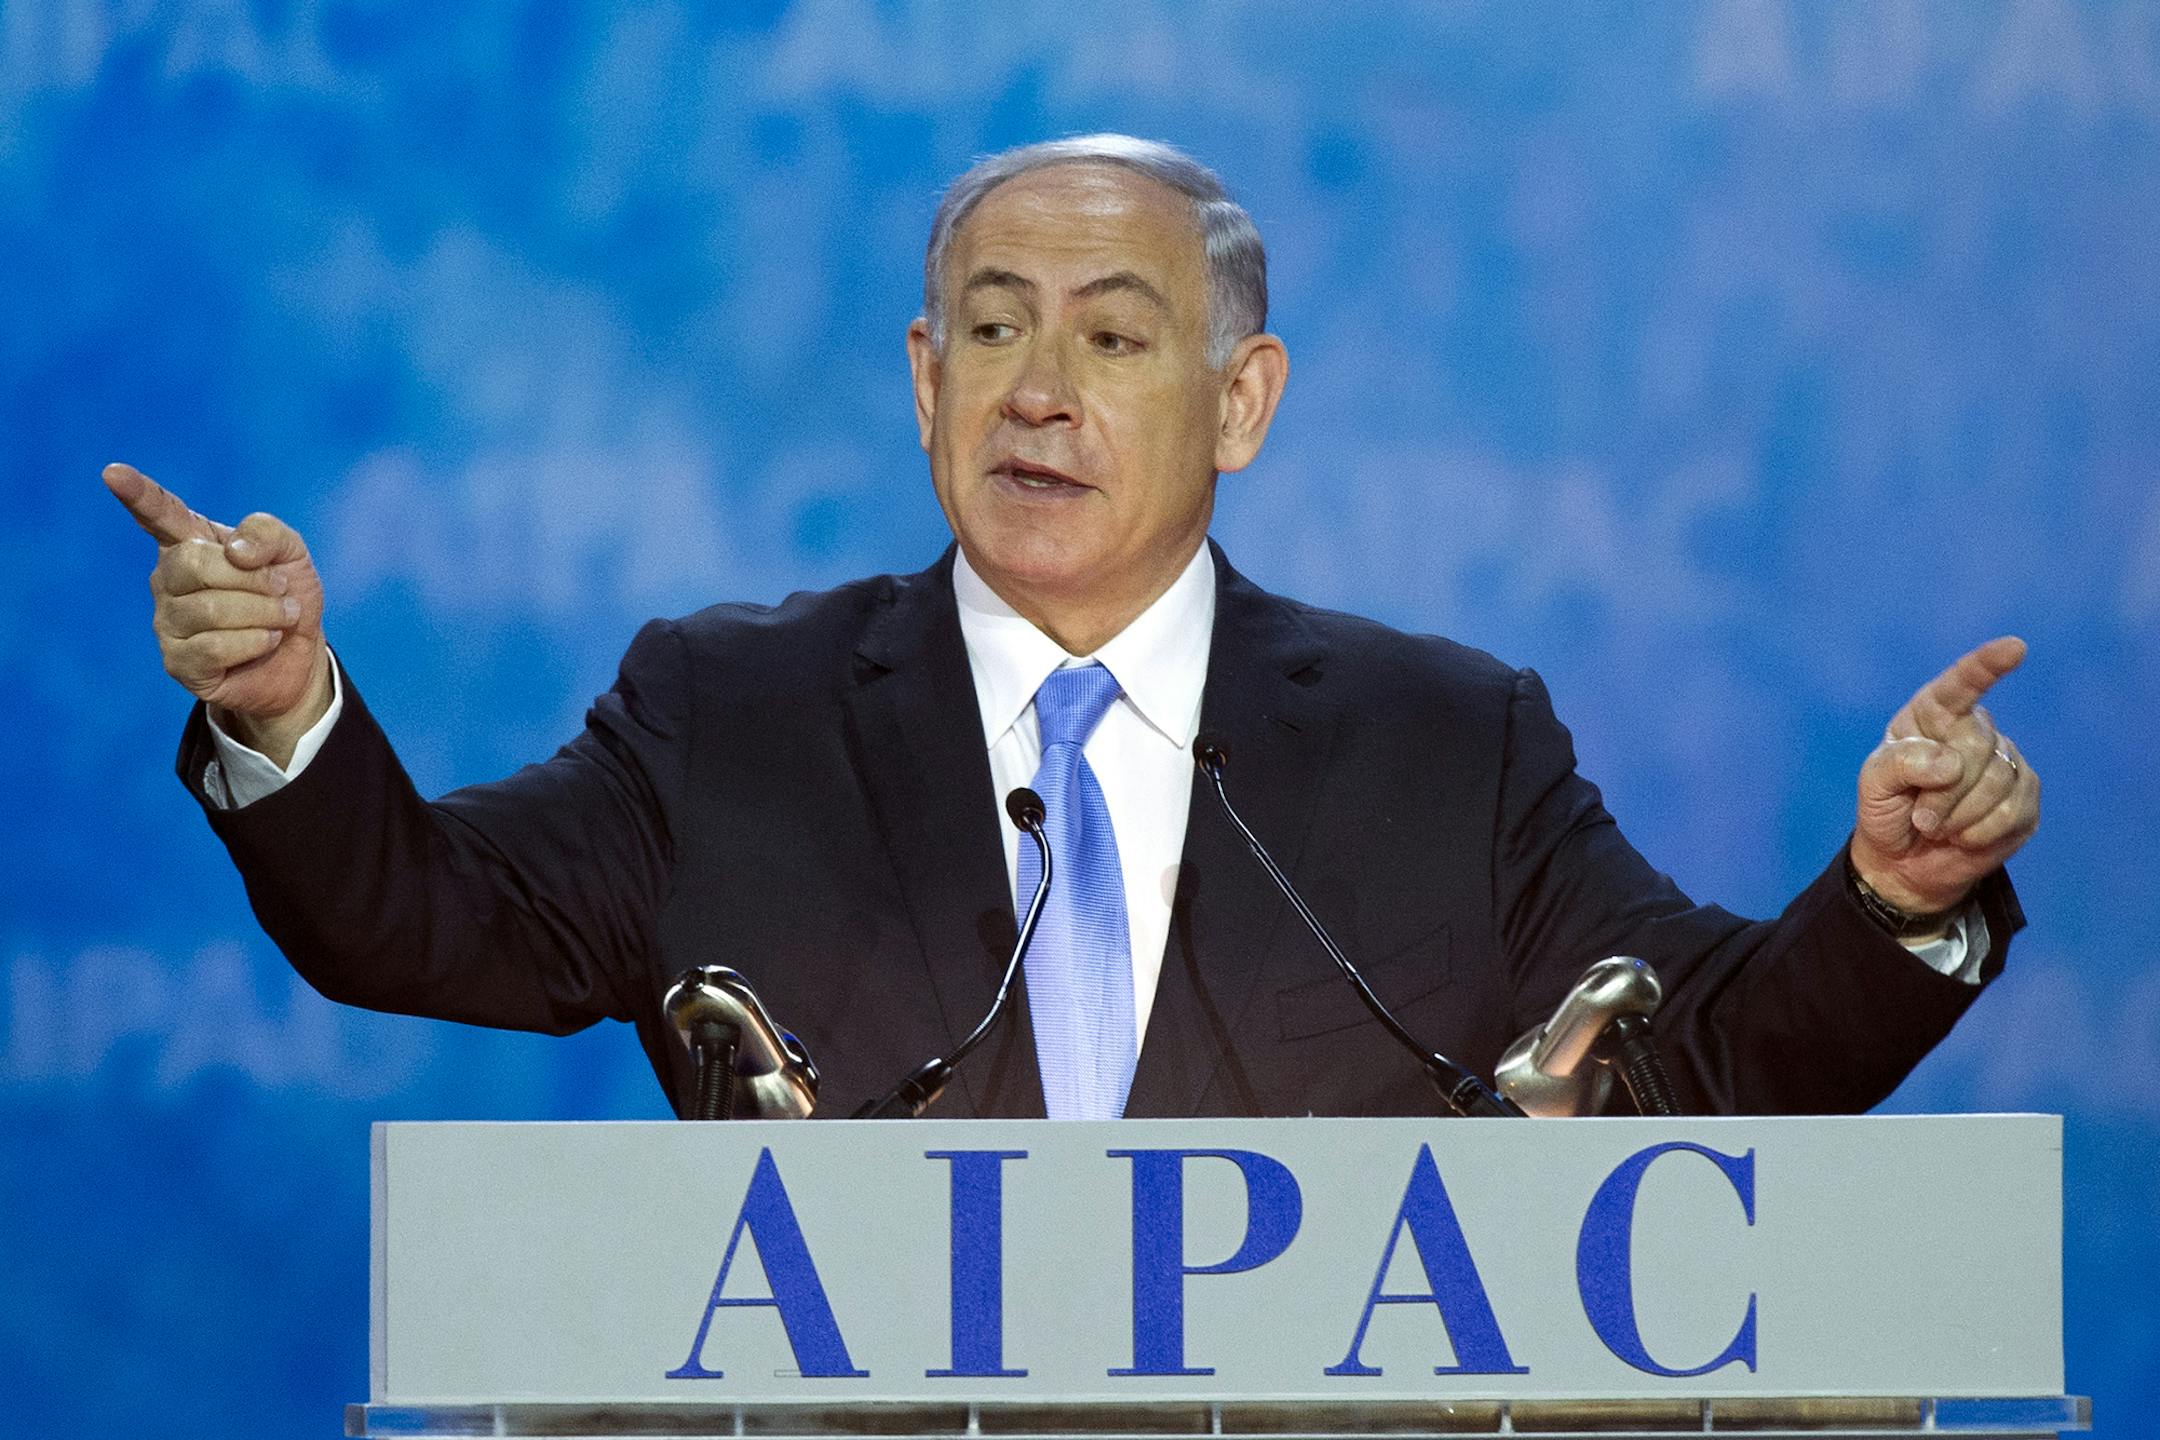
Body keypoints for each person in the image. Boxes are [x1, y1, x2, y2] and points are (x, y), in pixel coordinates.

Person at [103, 135, 2039, 1120]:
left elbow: (1702, 1060)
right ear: (923, 386)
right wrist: (288, 705)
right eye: (995, 332)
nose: (1042, 389)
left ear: (1244, 402)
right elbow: (416, 921)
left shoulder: (1451, 742)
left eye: (1113, 338)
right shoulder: (728, 711)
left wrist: (1893, 899)